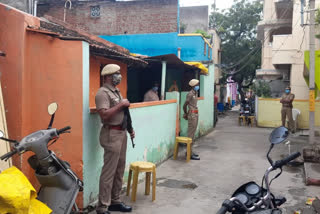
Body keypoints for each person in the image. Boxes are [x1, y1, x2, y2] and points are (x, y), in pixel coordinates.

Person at [95, 64, 135, 214]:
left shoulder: (116, 91)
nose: (119, 76)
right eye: (116, 74)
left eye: (119, 73)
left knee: (119, 170)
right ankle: (102, 206)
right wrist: (121, 105)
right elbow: (104, 115)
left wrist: (130, 129)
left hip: (121, 132)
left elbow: (124, 113)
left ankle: (115, 201)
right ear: (108, 76)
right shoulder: (102, 93)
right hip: (111, 134)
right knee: (109, 172)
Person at [183, 79, 200, 161]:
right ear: (193, 85)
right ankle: (188, 153)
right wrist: (186, 113)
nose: (198, 86)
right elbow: (184, 105)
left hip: (195, 114)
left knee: (193, 134)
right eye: (197, 84)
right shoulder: (190, 94)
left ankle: (190, 151)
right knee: (190, 135)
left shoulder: (195, 93)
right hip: (192, 114)